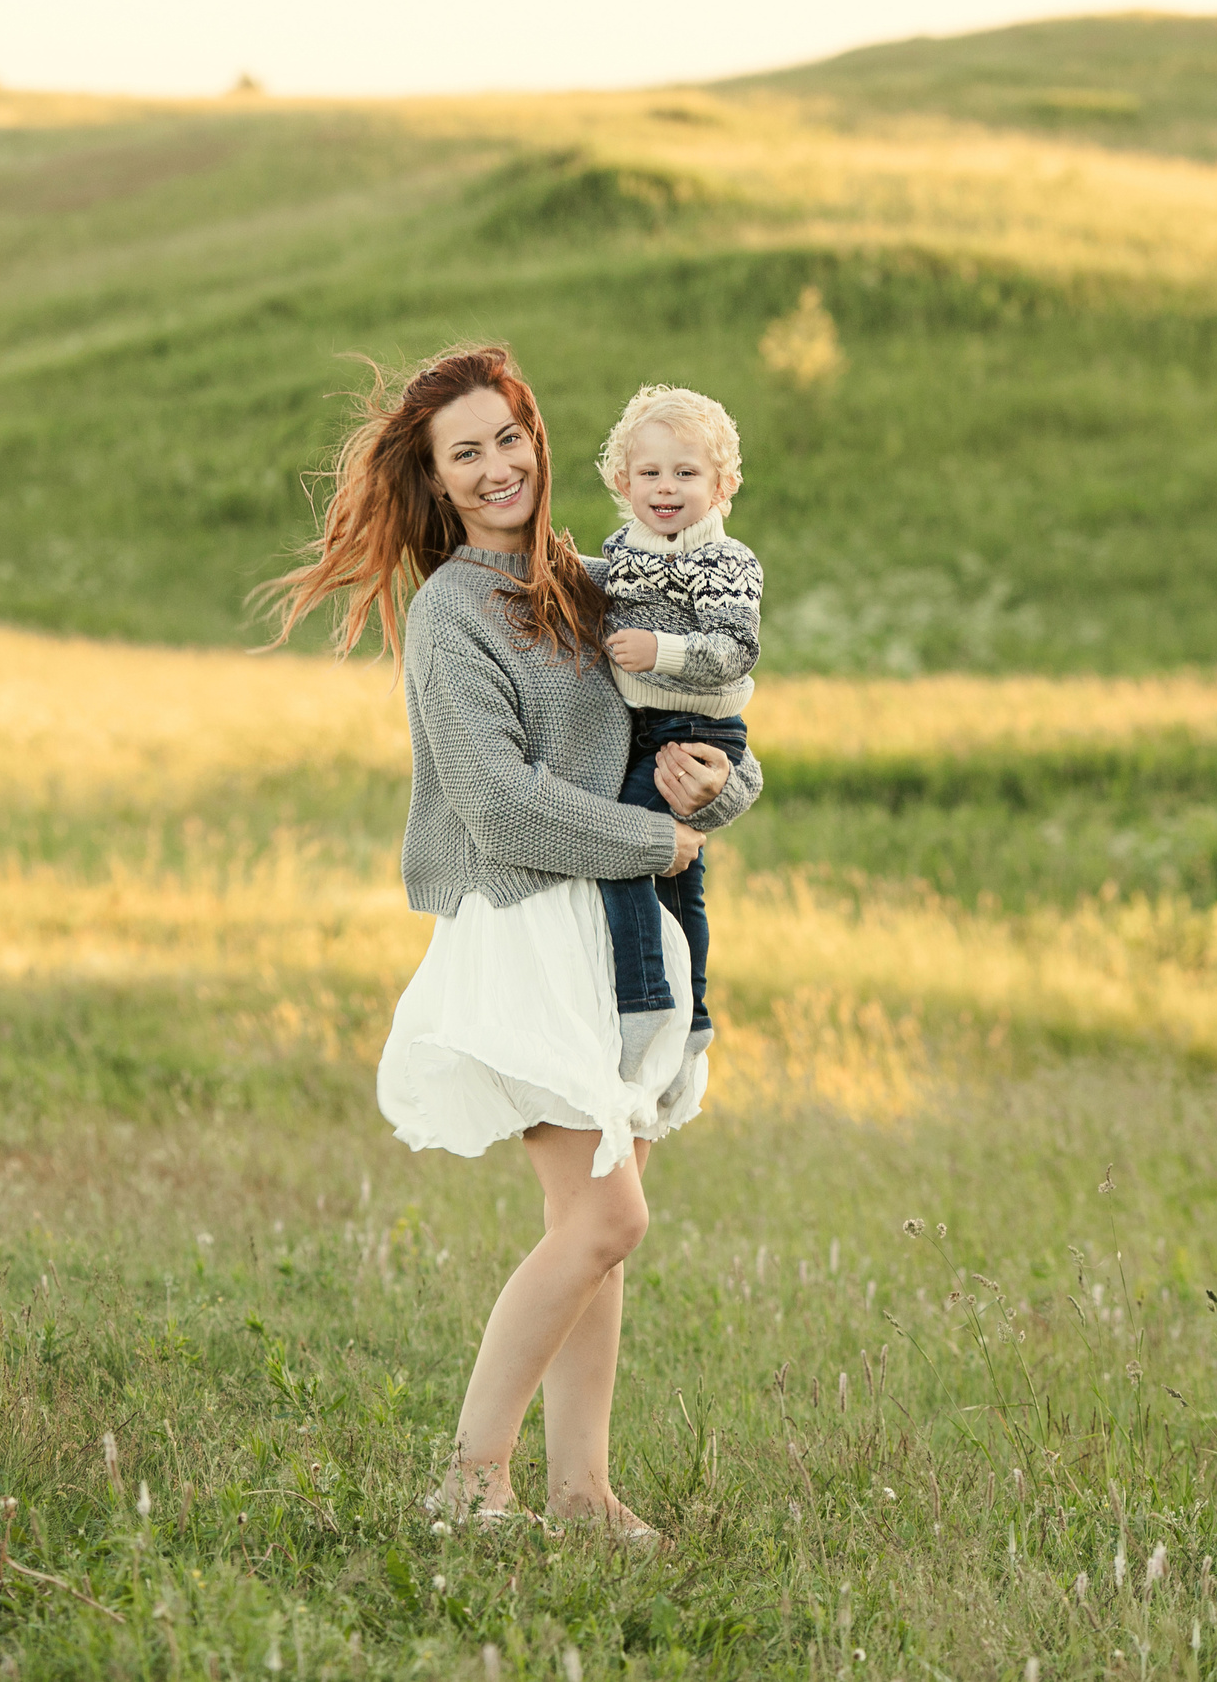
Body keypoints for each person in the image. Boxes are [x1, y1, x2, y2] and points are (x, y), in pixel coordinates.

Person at [261, 345, 761, 1543]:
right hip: (525, 927)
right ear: (435, 484)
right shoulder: (449, 616)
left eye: (507, 439)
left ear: (540, 439)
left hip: (614, 935)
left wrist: (718, 787)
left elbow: (709, 725)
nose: (496, 469)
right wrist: (656, 840)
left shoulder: (602, 582)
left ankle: (580, 1493)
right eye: (464, 454)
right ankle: (469, 1477)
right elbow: (498, 804)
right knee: (607, 1220)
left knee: (594, 1228)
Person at [590, 385, 761, 1079]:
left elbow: (733, 648)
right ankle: (693, 1015)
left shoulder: (725, 561)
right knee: (680, 877)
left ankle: (643, 1001)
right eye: (650, 473)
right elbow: (599, 590)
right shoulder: (625, 551)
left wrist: (657, 650)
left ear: (721, 486)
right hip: (643, 724)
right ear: (623, 481)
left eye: (686, 473)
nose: (666, 488)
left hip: (697, 725)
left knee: (632, 844)